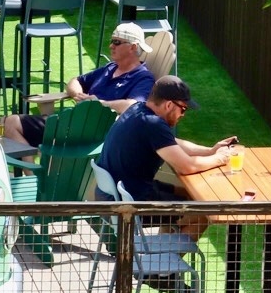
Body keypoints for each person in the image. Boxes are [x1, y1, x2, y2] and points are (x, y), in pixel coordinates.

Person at [0, 21, 157, 151]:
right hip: (72, 123)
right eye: (111, 41)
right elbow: (75, 81)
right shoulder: (109, 68)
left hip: (91, 131)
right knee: (9, 123)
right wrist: (78, 94)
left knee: (7, 124)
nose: (111, 46)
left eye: (116, 42)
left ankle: (36, 176)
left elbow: (134, 105)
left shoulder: (143, 77)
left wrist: (99, 104)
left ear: (133, 47)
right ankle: (33, 175)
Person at [99, 76, 236, 202]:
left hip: (115, 193)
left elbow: (171, 143)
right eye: (183, 109)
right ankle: (177, 227)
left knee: (188, 195)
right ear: (169, 105)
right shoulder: (153, 124)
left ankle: (171, 229)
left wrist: (211, 151)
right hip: (129, 201)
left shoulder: (137, 109)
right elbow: (186, 166)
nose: (183, 115)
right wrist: (220, 158)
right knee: (203, 210)